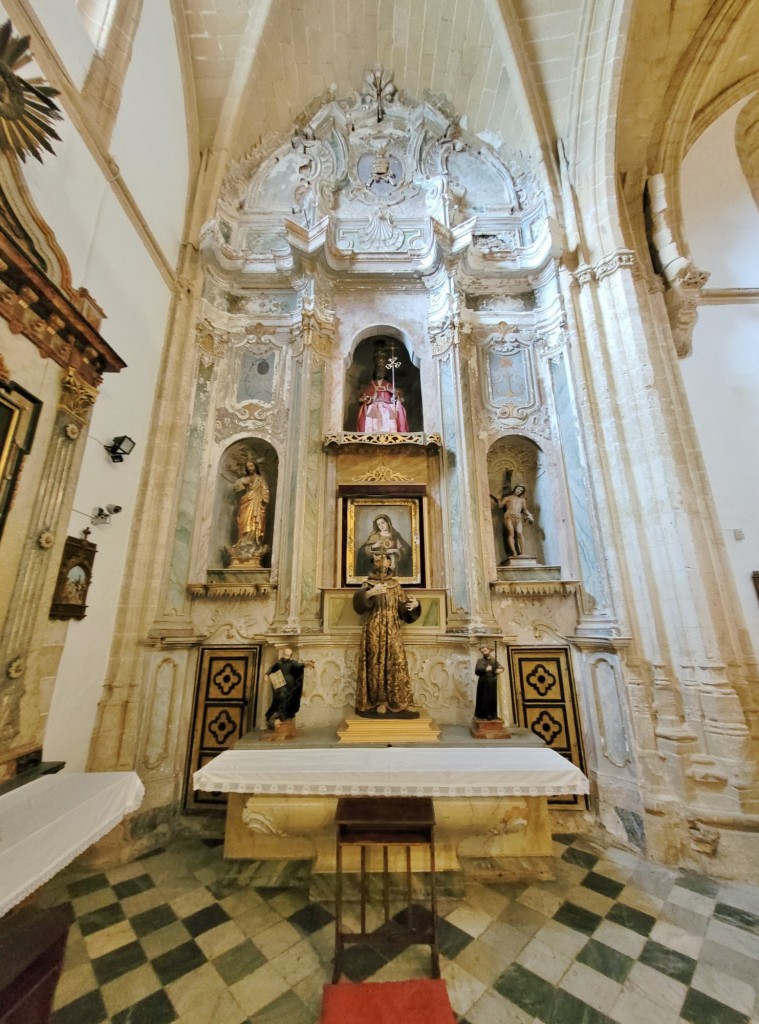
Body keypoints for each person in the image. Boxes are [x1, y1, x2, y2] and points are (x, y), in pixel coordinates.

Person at [353, 552, 421, 715]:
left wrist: (415, 605)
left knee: (397, 662)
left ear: (390, 563)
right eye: (377, 560)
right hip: (374, 627)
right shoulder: (368, 584)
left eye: (385, 560)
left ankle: (400, 701)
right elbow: (358, 605)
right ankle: (379, 701)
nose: (381, 563)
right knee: (376, 664)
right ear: (373, 564)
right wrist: (370, 593)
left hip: (393, 628)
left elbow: (403, 607)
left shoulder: (395, 585)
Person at [264, 646, 305, 728]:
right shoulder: (279, 663)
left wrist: (307, 664)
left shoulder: (292, 663)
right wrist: (266, 674)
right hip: (280, 684)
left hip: (290, 684)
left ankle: (285, 717)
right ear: (283, 654)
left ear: (290, 656)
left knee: (289, 700)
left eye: (287, 655)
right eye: (285, 654)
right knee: (281, 698)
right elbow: (272, 668)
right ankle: (279, 717)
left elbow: (299, 666)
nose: (285, 657)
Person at [234, 459, 269, 546]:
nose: (249, 468)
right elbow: (236, 486)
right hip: (246, 500)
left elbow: (265, 490)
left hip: (256, 501)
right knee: (243, 519)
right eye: (247, 467)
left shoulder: (260, 479)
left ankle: (253, 540)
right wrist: (241, 483)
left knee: (255, 519)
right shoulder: (246, 478)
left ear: (255, 467)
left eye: (251, 466)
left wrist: (263, 499)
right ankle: (243, 540)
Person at [498, 484, 534, 559]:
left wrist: (529, 515)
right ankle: (513, 552)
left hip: (518, 517)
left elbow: (524, 510)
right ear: (515, 489)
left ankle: (522, 552)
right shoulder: (508, 498)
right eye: (518, 489)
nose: (519, 491)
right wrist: (498, 500)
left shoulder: (522, 500)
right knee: (511, 532)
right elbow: (500, 506)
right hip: (508, 516)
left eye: (521, 490)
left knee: (520, 533)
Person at [474, 645, 505, 721]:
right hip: (483, 682)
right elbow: (477, 670)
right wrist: (485, 669)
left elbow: (501, 667)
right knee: (483, 698)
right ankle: (482, 715)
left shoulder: (494, 660)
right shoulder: (480, 660)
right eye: (482, 651)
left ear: (489, 650)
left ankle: (491, 714)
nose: (484, 652)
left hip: (492, 682)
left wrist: (499, 670)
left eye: (485, 650)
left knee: (491, 698)